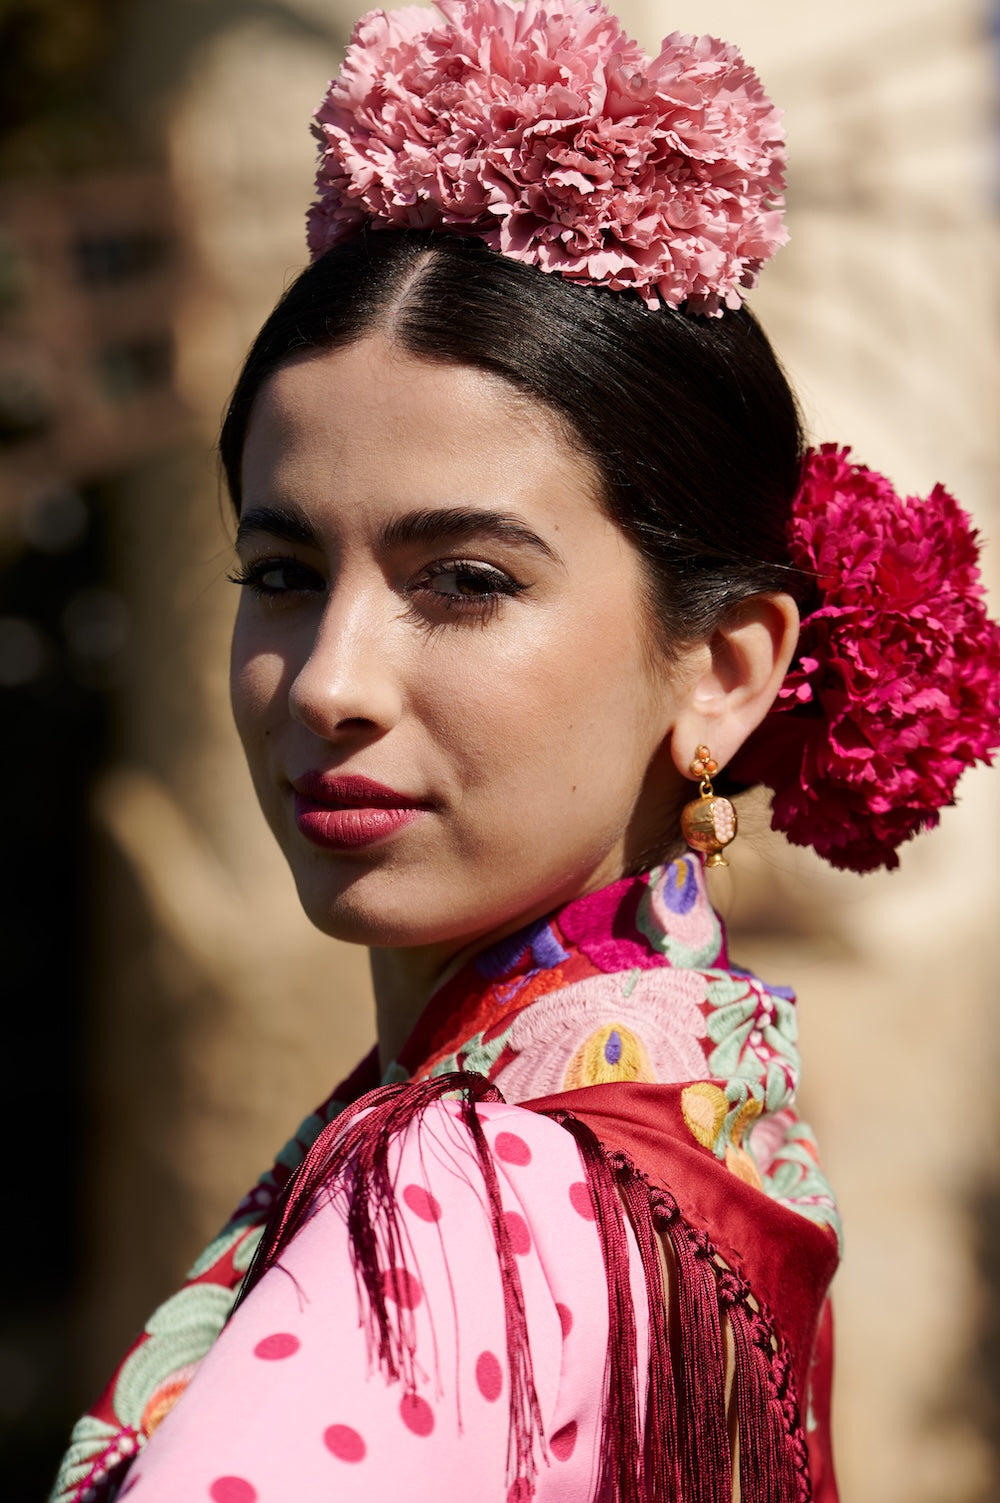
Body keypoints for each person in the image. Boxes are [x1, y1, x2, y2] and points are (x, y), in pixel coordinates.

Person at [49, 3, 999, 1501]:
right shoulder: (700, 1138)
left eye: (466, 581)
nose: (330, 683)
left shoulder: (452, 1217)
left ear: (726, 668)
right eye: (282, 574)